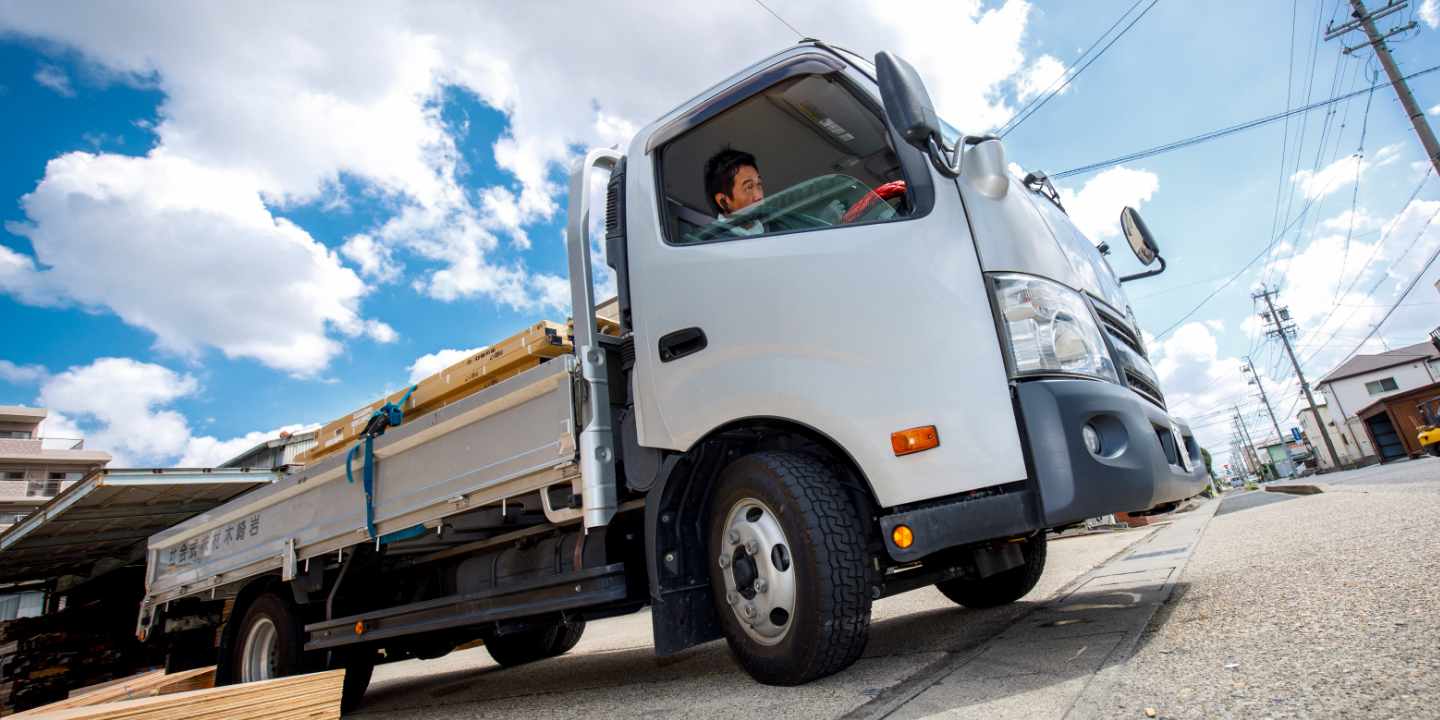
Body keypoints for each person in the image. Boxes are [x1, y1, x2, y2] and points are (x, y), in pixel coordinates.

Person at [703, 147, 765, 236]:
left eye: (758, 184)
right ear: (723, 201)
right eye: (748, 188)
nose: (759, 196)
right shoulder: (718, 245)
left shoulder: (773, 223)